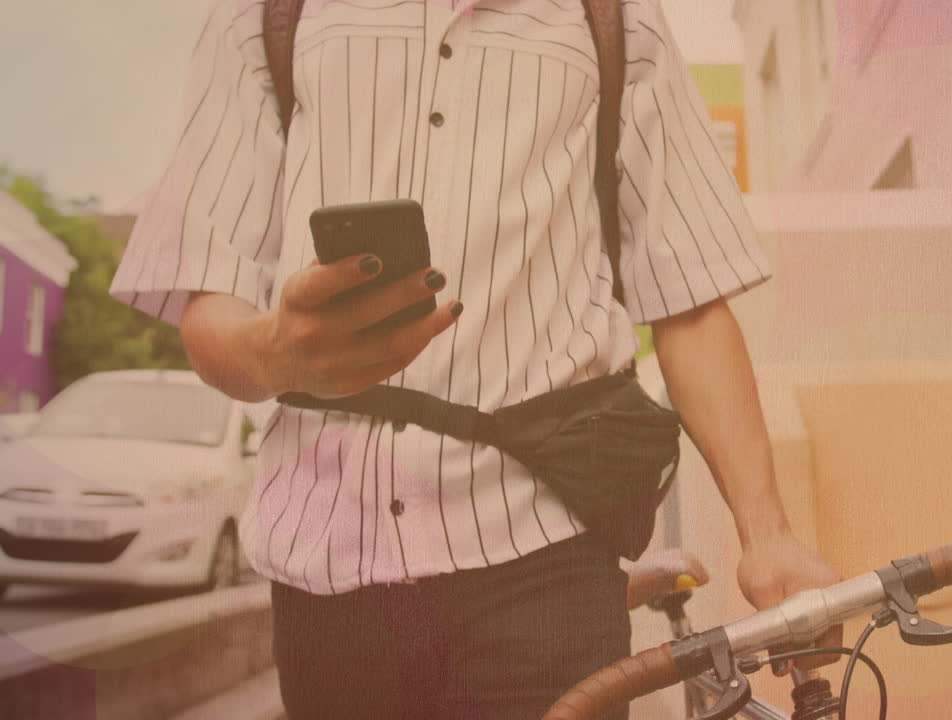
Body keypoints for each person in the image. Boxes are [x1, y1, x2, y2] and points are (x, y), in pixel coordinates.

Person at [110, 0, 840, 717]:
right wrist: (278, 354)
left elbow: (690, 298)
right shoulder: (265, 17)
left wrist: (768, 537)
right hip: (324, 562)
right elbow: (211, 304)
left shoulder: (617, 19)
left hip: (544, 553)